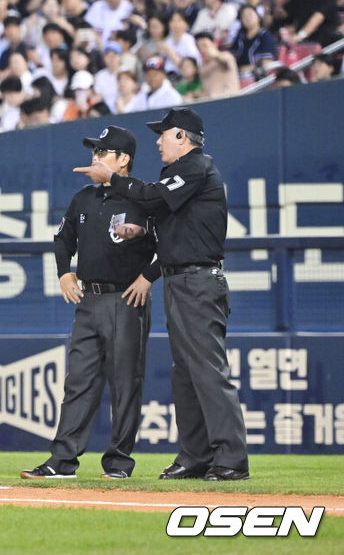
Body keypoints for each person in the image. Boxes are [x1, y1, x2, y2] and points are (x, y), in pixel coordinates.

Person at [74, 107, 250, 482]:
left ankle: (231, 458)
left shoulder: (197, 166)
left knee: (206, 370)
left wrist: (113, 179)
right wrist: (143, 236)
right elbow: (168, 232)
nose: (158, 141)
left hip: (200, 281)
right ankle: (195, 456)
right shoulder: (180, 173)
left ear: (183, 137)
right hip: (179, 280)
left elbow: (152, 196)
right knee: (184, 373)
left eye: (165, 133)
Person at [22, 126, 155, 480]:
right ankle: (61, 461)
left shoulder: (143, 197)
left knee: (126, 383)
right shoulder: (84, 197)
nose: (95, 156)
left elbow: (169, 243)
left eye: (103, 151)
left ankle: (118, 463)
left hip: (126, 298)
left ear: (123, 159)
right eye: (94, 151)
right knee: (78, 381)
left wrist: (149, 277)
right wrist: (65, 272)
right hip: (88, 299)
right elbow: (63, 238)